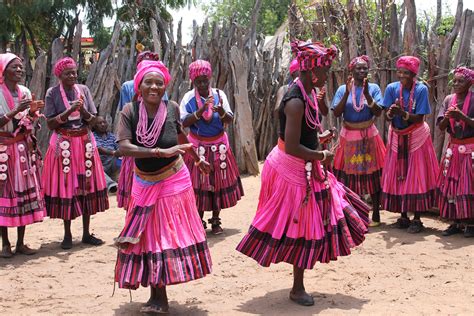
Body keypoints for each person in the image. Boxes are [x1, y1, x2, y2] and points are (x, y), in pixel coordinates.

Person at [236, 40, 370, 307]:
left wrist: (319, 137)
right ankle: (297, 288)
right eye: (325, 70)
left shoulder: (308, 92)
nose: (327, 75)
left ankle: (298, 283)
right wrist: (321, 155)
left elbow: (304, 135)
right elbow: (294, 145)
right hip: (291, 166)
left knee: (314, 217)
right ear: (312, 72)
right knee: (300, 224)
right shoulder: (296, 100)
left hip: (303, 162)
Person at [114, 60, 212, 314]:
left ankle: (160, 297)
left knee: (161, 235)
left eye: (159, 82)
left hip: (173, 178)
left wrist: (198, 159)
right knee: (144, 236)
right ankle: (156, 294)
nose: (154, 87)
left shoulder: (172, 108)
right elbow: (123, 147)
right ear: (139, 86)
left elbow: (180, 136)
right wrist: (158, 151)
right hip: (143, 181)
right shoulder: (129, 111)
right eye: (149, 82)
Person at [42, 57, 109, 249]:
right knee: (67, 186)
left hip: (85, 142)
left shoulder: (84, 91)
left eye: (74, 72)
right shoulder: (52, 93)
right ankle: (67, 235)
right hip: (64, 143)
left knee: (86, 184)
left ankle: (87, 233)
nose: (72, 75)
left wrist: (83, 112)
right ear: (59, 75)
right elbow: (50, 124)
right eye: (67, 73)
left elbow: (94, 121)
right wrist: (68, 111)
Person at [180, 60, 244, 234]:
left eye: (205, 81)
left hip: (219, 146)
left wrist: (220, 111)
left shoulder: (219, 94)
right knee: (198, 184)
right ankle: (198, 220)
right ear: (193, 81)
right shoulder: (188, 98)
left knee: (218, 183)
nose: (202, 84)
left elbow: (229, 119)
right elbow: (183, 122)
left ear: (209, 79)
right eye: (198, 81)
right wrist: (200, 112)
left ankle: (216, 219)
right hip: (197, 147)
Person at [381, 56, 439, 233]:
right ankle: (403, 215)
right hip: (397, 136)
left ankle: (417, 218)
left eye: (406, 72)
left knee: (418, 176)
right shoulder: (392, 88)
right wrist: (391, 113)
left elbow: (420, 117)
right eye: (399, 72)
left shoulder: (421, 90)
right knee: (400, 175)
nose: (401, 75)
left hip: (416, 137)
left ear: (413, 74)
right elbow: (386, 116)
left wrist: (403, 114)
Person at [0, 53, 45, 258]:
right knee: (5, 194)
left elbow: (25, 122)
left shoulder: (25, 92)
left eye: (20, 67)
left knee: (24, 195)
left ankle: (20, 243)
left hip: (23, 150)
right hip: (4, 150)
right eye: (14, 67)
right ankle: (6, 244)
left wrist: (33, 113)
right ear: (3, 70)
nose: (19, 70)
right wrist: (14, 111)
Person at [332, 55, 386, 226]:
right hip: (349, 136)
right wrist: (347, 93)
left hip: (369, 135)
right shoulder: (343, 89)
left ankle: (376, 214)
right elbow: (336, 112)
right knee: (348, 177)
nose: (362, 71)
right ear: (352, 70)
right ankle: (352, 215)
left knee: (373, 176)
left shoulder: (374, 88)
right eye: (359, 68)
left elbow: (378, 112)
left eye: (365, 68)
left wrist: (368, 96)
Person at [116, 51, 166, 210]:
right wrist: (139, 92)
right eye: (144, 64)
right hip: (135, 145)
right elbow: (126, 111)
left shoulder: (159, 84)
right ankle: (132, 225)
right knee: (133, 192)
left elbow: (164, 110)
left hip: (156, 142)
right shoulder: (128, 86)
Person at [437, 66, 474, 237]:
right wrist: (448, 117)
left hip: (470, 148)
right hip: (453, 149)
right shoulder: (448, 100)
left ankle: (471, 223)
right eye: (455, 80)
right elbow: (441, 127)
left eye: (461, 81)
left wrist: (463, 117)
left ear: (470, 83)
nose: (456, 83)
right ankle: (455, 222)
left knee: (469, 185)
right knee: (451, 184)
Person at [93, 116, 121, 193]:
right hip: (101, 163)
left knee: (121, 160)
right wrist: (114, 152)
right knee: (95, 167)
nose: (102, 124)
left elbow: (119, 148)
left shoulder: (112, 136)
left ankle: (122, 181)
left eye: (104, 122)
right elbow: (99, 149)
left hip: (112, 161)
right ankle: (111, 185)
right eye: (99, 123)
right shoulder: (92, 136)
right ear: (95, 126)